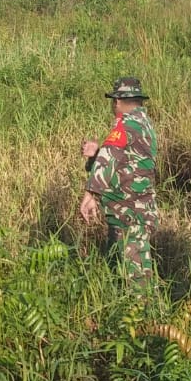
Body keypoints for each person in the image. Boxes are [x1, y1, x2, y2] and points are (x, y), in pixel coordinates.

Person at [79, 76, 158, 285]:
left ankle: (144, 317)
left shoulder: (126, 125)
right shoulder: (143, 124)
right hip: (134, 213)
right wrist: (98, 153)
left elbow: (110, 157)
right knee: (123, 274)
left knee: (136, 284)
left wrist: (90, 194)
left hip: (128, 215)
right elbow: (125, 163)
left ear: (117, 101)